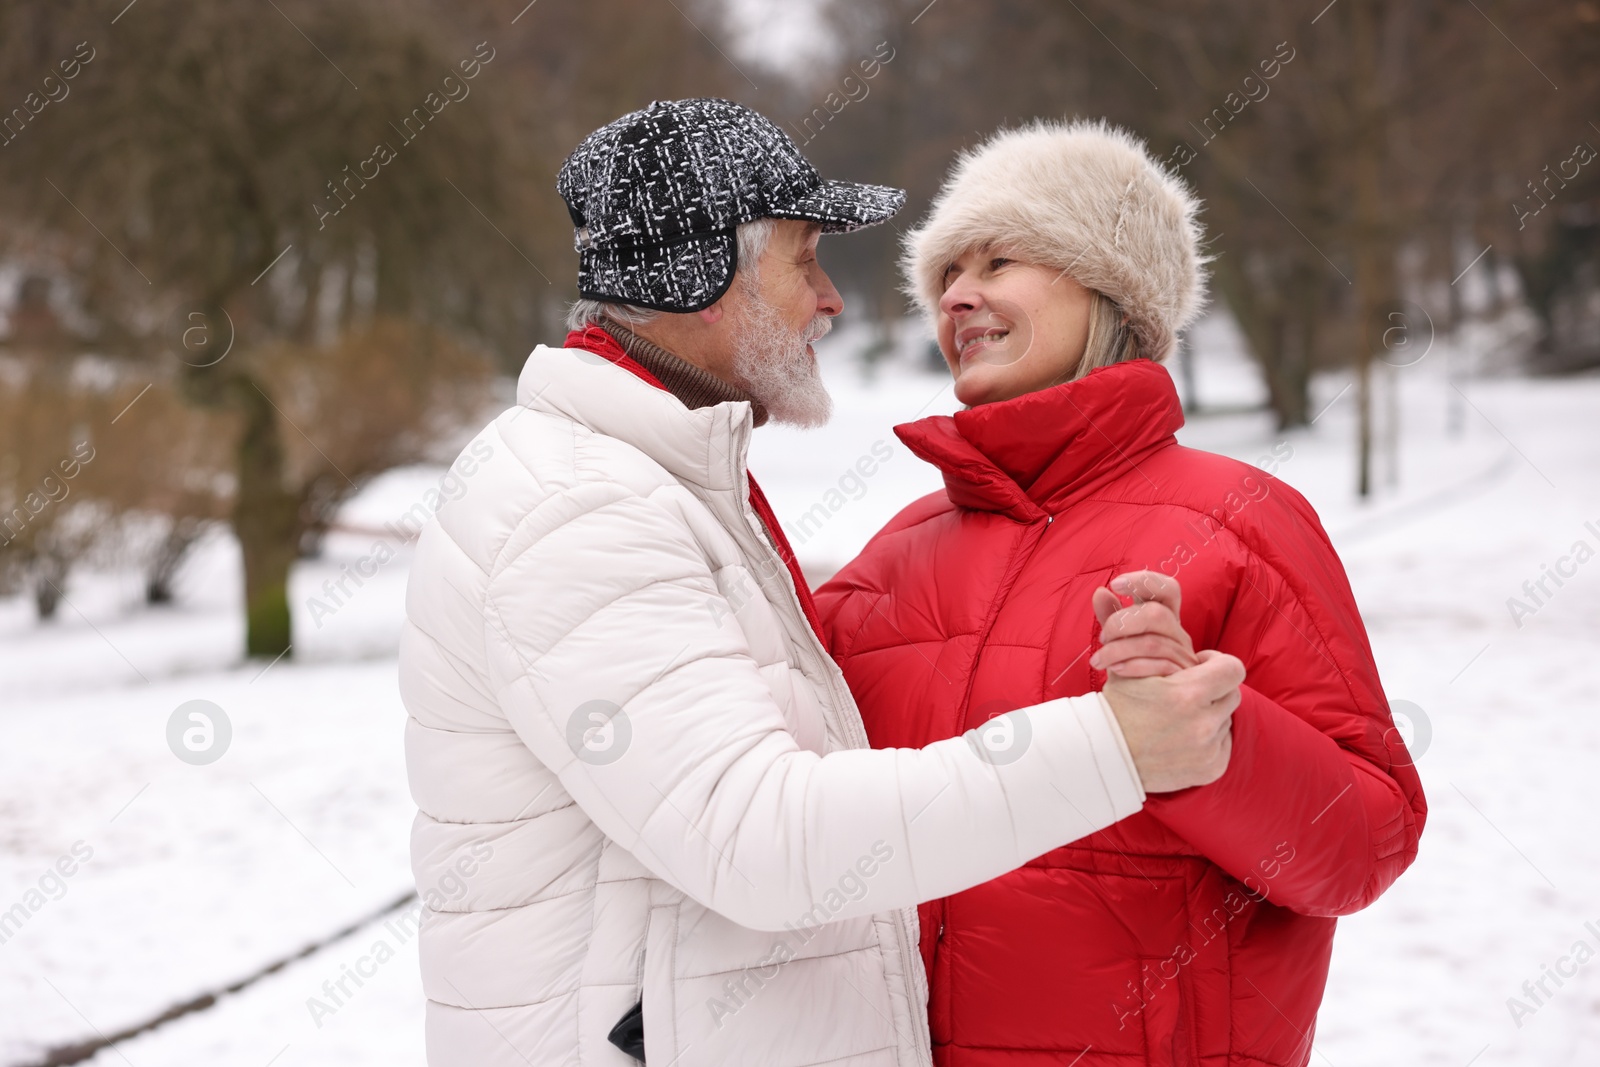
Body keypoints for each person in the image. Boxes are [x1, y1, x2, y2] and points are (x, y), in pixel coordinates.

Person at [398, 99, 1246, 1067]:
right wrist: (1111, 746)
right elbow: (755, 836)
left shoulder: (659, 483)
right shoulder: (578, 508)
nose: (831, 297)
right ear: (702, 277)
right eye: (802, 259)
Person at [814, 119, 1429, 1067]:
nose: (959, 296)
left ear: (1111, 288)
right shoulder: (893, 556)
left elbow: (1362, 845)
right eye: (945, 276)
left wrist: (1213, 747)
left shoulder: (1239, 518)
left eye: (1000, 259)